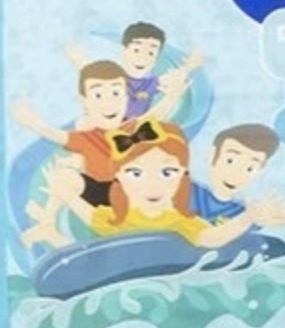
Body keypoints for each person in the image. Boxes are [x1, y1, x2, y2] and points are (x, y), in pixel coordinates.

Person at [12, 59, 188, 247]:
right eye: (98, 95)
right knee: (63, 177)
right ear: (85, 101)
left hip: (128, 191)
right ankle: (47, 222)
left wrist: (173, 96)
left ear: (126, 97)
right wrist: (32, 123)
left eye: (115, 93)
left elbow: (156, 114)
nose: (108, 103)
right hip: (98, 192)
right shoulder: (86, 137)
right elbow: (56, 135)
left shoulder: (133, 128)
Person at [40, 121, 256, 249]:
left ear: (182, 176)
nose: (152, 184)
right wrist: (67, 194)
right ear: (119, 178)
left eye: (167, 172)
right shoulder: (115, 218)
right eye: (136, 173)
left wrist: (248, 217)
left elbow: (211, 238)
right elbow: (90, 217)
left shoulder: (183, 222)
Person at [192, 123, 285, 227]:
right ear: (212, 154)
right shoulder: (190, 191)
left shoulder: (238, 210)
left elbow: (274, 218)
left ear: (259, 171)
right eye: (230, 160)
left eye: (249, 168)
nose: (237, 174)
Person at [66, 21, 203, 122]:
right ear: (124, 49)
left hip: (134, 130)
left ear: (156, 58)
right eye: (136, 50)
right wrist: (78, 60)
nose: (142, 57)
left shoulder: (150, 83)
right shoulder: (113, 77)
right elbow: (92, 74)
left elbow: (173, 79)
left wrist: (189, 66)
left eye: (151, 53)